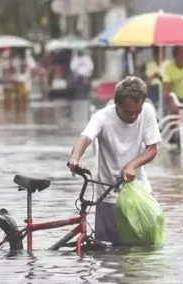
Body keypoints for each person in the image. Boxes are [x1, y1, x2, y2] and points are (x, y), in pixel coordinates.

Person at [68, 76, 161, 244]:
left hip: (139, 192)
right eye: (128, 111)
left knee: (145, 248)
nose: (133, 116)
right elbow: (85, 138)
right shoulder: (102, 117)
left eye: (137, 111)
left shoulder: (147, 111)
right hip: (108, 195)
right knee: (109, 254)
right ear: (116, 104)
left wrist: (132, 165)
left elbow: (152, 149)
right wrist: (75, 158)